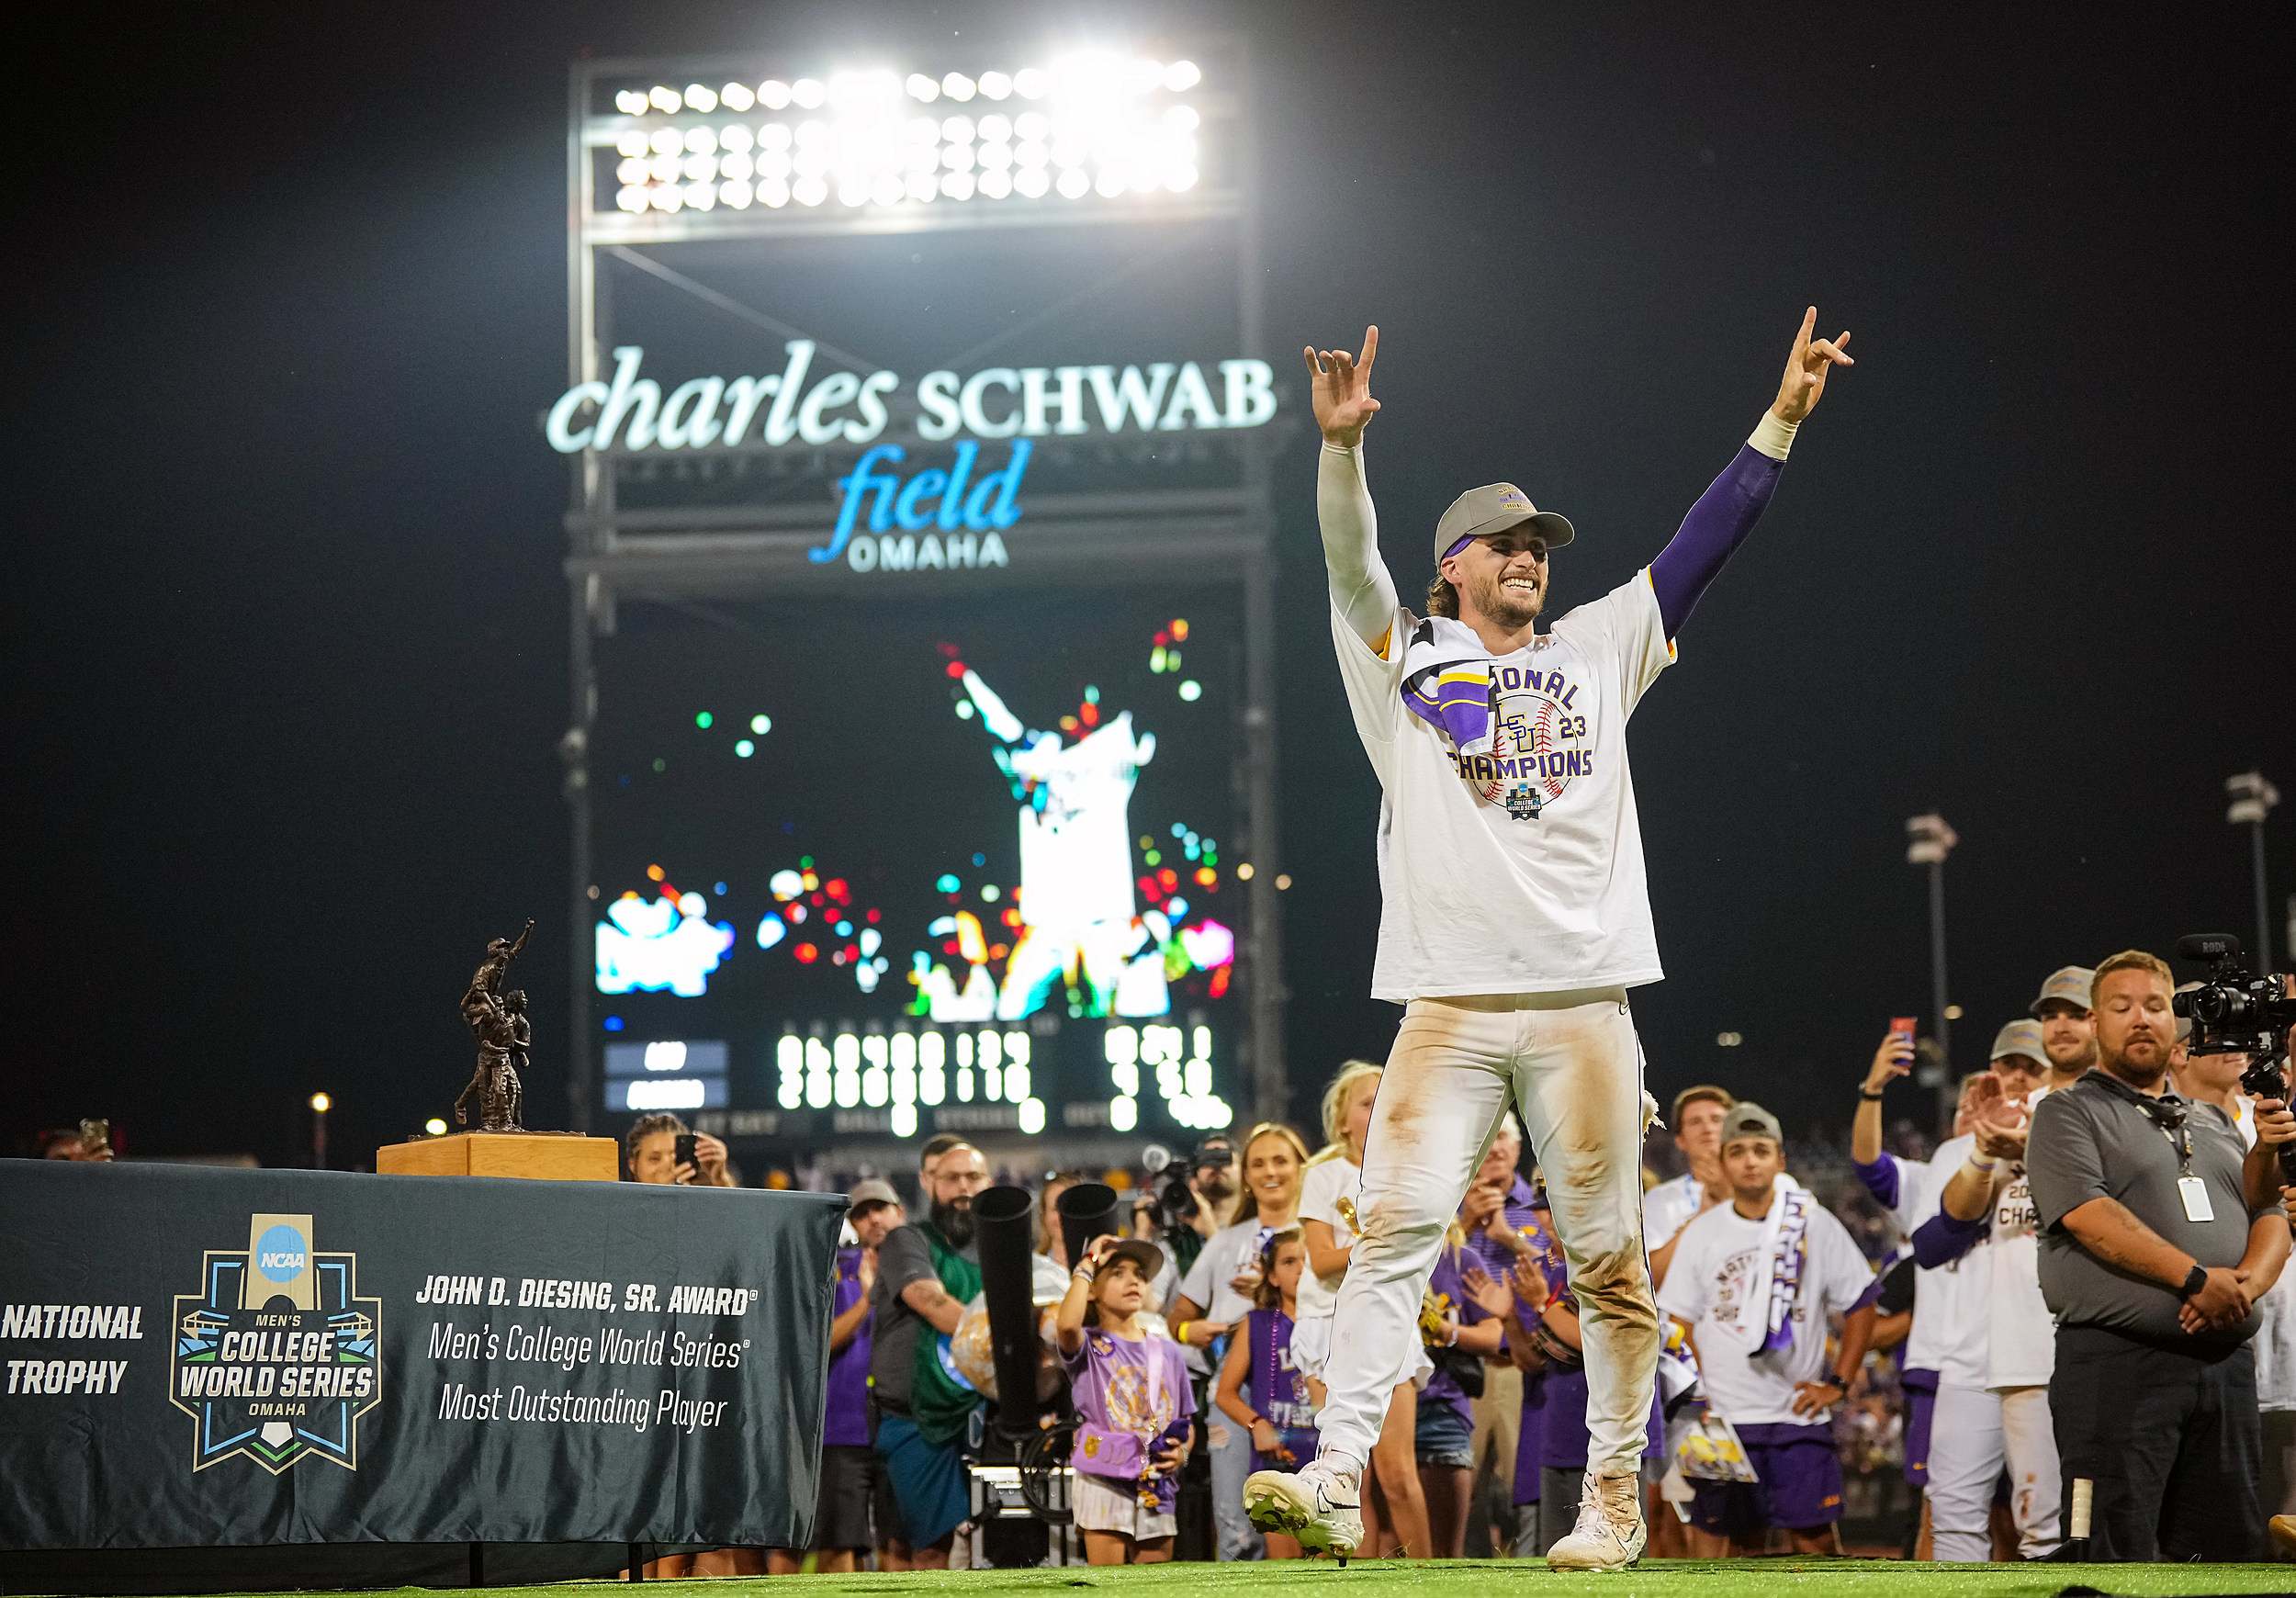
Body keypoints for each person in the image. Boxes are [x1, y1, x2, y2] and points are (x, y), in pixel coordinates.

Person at [1248, 308, 1852, 1572]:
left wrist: (1783, 415)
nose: (1531, 557)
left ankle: (1617, 1501)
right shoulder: (1400, 653)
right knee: (1394, 1235)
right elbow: (1346, 558)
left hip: (1583, 1006)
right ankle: (1334, 1471)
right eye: (1507, 544)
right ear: (1454, 565)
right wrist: (1343, 450)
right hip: (1448, 1010)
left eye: (1539, 545)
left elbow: (1705, 544)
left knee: (1606, 1265)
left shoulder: (1595, 646)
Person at [2025, 951, 2294, 1561]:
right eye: (2121, 1008)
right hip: (2116, 1369)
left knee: (2229, 1555)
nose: (2140, 1019)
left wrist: (2242, 1288)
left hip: (2223, 1369)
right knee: (2109, 1552)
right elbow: (2091, 1218)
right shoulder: (2067, 1112)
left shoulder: (2218, 1122)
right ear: (2097, 1022)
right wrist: (2196, 1279)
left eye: (2154, 1006)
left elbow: (2269, 1211)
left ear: (2178, 1027)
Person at [1656, 1102, 1878, 1557]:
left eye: (1761, 1150)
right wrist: (1699, 1392)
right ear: (1722, 1162)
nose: (1750, 1160)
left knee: (1816, 1542)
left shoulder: (1813, 1222)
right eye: (1737, 1151)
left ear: (1780, 1159)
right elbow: (1678, 1321)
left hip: (1797, 1417)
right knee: (1736, 1547)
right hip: (1723, 1421)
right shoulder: (1702, 1232)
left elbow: (1862, 1301)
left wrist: (1839, 1382)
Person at [1929, 1018, 2061, 1560]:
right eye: (2008, 1064)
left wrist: (2024, 1143)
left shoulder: (2075, 1122)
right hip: (1974, 1356)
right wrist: (1985, 1148)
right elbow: (1937, 1242)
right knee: (1957, 1514)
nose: (2019, 1076)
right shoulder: (1954, 1152)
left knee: (2057, 1516)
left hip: (2053, 1343)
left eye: (2033, 1066)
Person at [1295, 1063, 1433, 1558]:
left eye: (1385, 1100)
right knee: (1351, 1475)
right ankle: (1359, 1580)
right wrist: (1379, 1247)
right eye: (1366, 1102)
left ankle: (1427, 1578)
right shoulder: (1323, 1177)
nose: (1377, 1110)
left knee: (1398, 1473)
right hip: (1331, 1326)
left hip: (1391, 1323)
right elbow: (1321, 1260)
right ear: (1342, 1120)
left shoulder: (1414, 1175)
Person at [2171, 1027, 2296, 1559]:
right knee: (2231, 1514)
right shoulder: (2166, 1120)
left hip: (2267, 1322)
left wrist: (2235, 1289)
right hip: (2211, 1336)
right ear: (2179, 1052)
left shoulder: (2274, 1110)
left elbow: (2272, 1214)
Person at [1171, 1121, 1308, 1559]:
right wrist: (1198, 1331)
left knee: (1313, 1522)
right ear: (1245, 1175)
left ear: (1301, 1167)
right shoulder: (1227, 1241)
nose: (1270, 1172)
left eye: (1281, 1161)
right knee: (1238, 1528)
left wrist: (1275, 1294)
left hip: (1305, 1387)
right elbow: (1177, 1321)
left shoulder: (1321, 1238)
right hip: (1236, 1393)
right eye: (1258, 1163)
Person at [770, 1179, 903, 1575]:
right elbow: (816, 1344)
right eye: (861, 1213)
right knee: (839, 1543)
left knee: (899, 1542)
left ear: (901, 1213)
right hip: (843, 1430)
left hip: (902, 1425)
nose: (872, 1218)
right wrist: (866, 1299)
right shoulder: (835, 1270)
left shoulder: (922, 1273)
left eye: (881, 1208)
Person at [871, 1142, 990, 1569]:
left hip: (984, 1416)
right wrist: (1005, 1346)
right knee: (930, 1548)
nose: (963, 1187)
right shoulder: (908, 1239)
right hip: (918, 1420)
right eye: (951, 1178)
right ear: (930, 1182)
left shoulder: (1000, 1248)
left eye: (973, 1178)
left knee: (997, 1542)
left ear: (988, 1183)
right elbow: (928, 1300)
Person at [1057, 1234, 1194, 1565]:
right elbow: (1065, 1325)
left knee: (1155, 1586)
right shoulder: (1089, 1345)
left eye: (1140, 1275)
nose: (1133, 1280)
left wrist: (1183, 1453)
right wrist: (1087, 1264)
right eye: (1117, 1272)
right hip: (1104, 1479)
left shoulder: (1168, 1351)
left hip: (1155, 1483)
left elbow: (1185, 1420)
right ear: (1092, 1289)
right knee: (1108, 1585)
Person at [1456, 1117, 1543, 1554]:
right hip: (1463, 1368)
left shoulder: (1540, 1206)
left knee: (1519, 1488)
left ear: (1519, 1145)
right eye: (1486, 1138)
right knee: (1462, 1486)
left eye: (1503, 1137)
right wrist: (1467, 1223)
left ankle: (1523, 1569)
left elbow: (1561, 1267)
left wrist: (1511, 1239)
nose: (1494, 1148)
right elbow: (1429, 1274)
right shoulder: (1450, 1207)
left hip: (1520, 1365)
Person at [1215, 1228, 1318, 1559]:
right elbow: (1225, 1393)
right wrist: (1256, 1423)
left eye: (1308, 1260)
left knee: (1333, 1570)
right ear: (1272, 1276)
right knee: (1285, 1573)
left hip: (1327, 1463)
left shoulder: (1336, 1321)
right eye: (1290, 1261)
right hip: (1277, 1467)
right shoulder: (1257, 1323)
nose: (1301, 1268)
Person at [1416, 1201, 1504, 1556]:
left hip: (1442, 1408)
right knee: (1389, 1547)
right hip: (1386, 1413)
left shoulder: (1460, 1259)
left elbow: (1494, 1336)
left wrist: (1444, 1329)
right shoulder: (1380, 1260)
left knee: (1444, 1552)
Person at [1645, 1086, 1734, 1289]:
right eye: (1695, 1122)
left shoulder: (1767, 1189)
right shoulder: (1661, 1199)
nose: (1707, 1129)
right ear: (1680, 1140)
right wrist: (1700, 1218)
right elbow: (1652, 1280)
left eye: (1717, 1120)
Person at [623, 1113, 735, 1187]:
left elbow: (736, 1218)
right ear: (633, 1165)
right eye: (655, 1159)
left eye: (675, 1157)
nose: (667, 1166)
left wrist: (719, 1179)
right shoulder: (618, 1206)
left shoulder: (701, 1203)